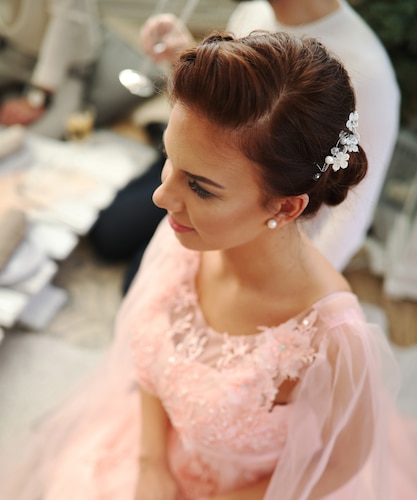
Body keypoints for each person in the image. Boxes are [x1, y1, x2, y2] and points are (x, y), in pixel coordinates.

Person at [1, 30, 416, 500]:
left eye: (201, 186)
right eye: (172, 158)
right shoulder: (187, 236)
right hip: (155, 453)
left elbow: (341, 466)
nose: (163, 196)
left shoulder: (331, 337)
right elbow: (150, 357)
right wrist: (150, 465)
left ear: (284, 207)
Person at [89, 0, 400, 291]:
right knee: (107, 235)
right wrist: (187, 61)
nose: (162, 197)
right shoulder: (253, 14)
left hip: (262, 205)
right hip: (205, 164)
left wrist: (285, 288)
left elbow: (350, 220)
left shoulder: (370, 72)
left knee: (143, 281)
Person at [0, 0, 158, 139]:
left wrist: (37, 98)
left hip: (68, 64)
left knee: (44, 134)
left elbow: (68, 20)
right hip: (15, 54)